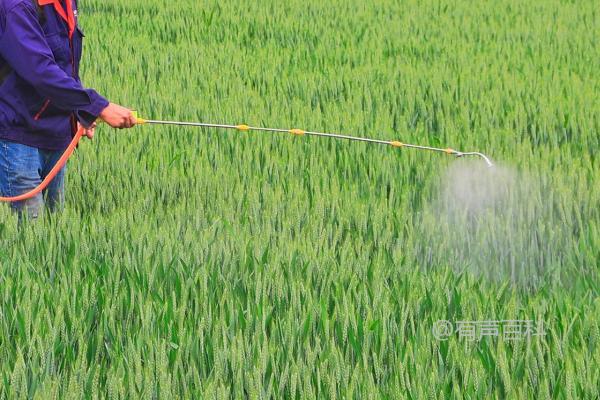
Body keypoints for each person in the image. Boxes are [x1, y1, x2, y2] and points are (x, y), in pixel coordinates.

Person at [0, 0, 136, 220]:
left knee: (56, 235)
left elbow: (65, 64)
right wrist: (98, 107)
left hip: (57, 135)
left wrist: (80, 111)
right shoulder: (16, 6)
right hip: (18, 138)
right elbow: (40, 70)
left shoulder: (66, 2)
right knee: (30, 239)